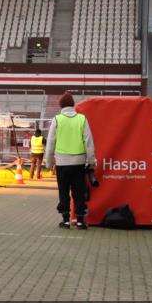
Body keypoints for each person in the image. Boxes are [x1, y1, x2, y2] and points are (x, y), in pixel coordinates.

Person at [44, 93, 96, 230]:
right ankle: (80, 221)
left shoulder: (57, 119)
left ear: (61, 105)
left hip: (61, 162)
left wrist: (48, 162)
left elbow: (51, 142)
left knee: (63, 191)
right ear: (73, 105)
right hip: (79, 162)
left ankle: (66, 220)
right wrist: (91, 160)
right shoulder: (82, 119)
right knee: (79, 191)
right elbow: (89, 141)